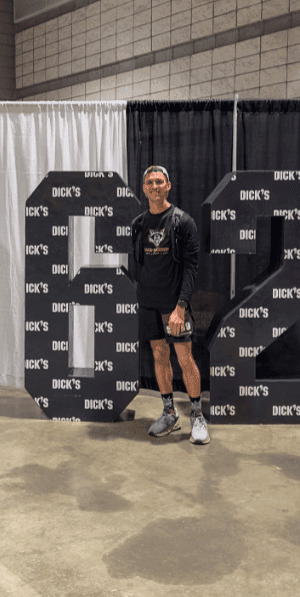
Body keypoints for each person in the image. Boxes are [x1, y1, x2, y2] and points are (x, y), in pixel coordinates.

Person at [130, 165, 210, 444]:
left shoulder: (182, 222)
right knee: (159, 356)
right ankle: (169, 413)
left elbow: (191, 267)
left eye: (159, 182)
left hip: (174, 306)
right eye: (149, 182)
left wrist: (180, 307)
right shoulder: (139, 224)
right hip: (149, 304)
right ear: (144, 188)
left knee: (185, 359)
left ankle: (198, 416)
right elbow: (140, 264)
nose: (154, 186)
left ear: (168, 186)